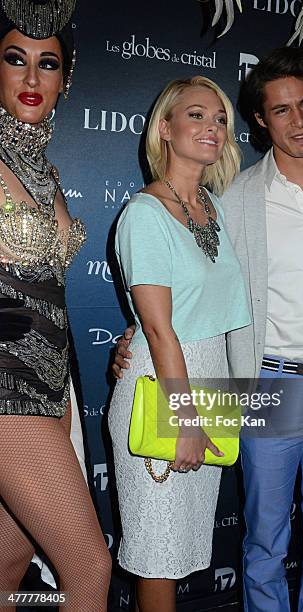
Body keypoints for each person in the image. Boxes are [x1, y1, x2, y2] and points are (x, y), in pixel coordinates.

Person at [114, 48, 303, 612]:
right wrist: (135, 334)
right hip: (264, 383)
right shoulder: (234, 199)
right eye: (280, 110)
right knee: (264, 541)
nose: (297, 121)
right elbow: (180, 292)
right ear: (260, 120)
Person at [108, 76, 250, 612]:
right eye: (196, 116)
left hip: (209, 383)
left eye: (219, 120)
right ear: (164, 128)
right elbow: (161, 330)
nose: (211, 127)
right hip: (167, 391)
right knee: (156, 552)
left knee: (182, 548)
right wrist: (185, 417)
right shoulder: (144, 215)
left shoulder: (214, 207)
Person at [0, 1, 112, 610]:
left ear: (65, 78)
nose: (31, 78)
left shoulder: (47, 171)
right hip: (3, 388)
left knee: (8, 565)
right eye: (15, 60)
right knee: (89, 568)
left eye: (47, 64)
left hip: (49, 388)